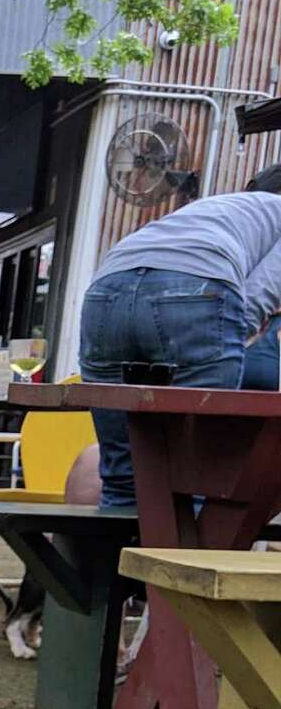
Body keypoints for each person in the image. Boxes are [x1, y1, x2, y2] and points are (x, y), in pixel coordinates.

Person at [79, 165, 281, 507]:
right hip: (196, 288)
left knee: (122, 475)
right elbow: (257, 299)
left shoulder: (216, 209)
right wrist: (227, 340)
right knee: (196, 477)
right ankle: (177, 557)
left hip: (106, 291)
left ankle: (105, 561)